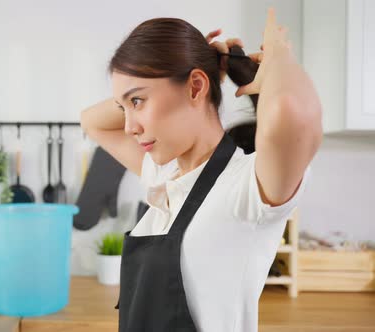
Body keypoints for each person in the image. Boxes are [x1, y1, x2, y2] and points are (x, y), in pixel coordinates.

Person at [80, 8, 322, 332]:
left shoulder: (244, 187)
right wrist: (202, 67)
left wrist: (278, 57)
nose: (128, 127)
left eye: (138, 102)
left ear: (195, 87)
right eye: (123, 108)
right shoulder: (163, 174)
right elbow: (91, 122)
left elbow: (292, 112)